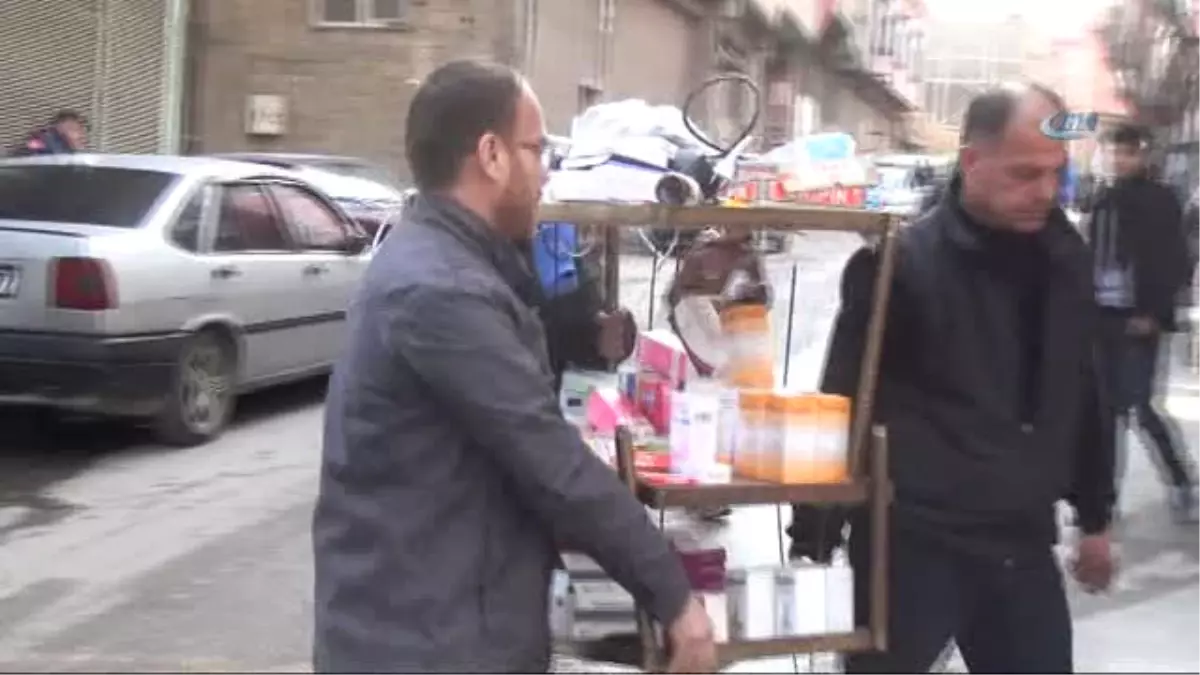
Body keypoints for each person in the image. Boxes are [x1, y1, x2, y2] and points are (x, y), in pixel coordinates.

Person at [311, 60, 716, 673]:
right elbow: (548, 459)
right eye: (537, 149)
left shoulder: (450, 263)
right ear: (492, 155)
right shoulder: (441, 290)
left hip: (432, 623)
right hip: (426, 646)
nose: (546, 170)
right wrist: (675, 597)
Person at [788, 83, 1116, 672]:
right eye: (1024, 173)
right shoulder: (899, 265)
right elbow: (843, 399)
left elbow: (1082, 388)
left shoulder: (1063, 261)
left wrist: (1094, 517)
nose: (1045, 191)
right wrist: (815, 529)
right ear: (972, 161)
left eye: (1056, 172)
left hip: (1019, 541)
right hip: (911, 545)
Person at [1089, 124, 1196, 521]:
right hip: (1102, 317)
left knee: (1141, 407)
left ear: (1142, 155)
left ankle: (1181, 483)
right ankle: (1105, 496)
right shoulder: (1101, 198)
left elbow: (1175, 261)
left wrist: (1152, 312)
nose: (1118, 160)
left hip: (1139, 319)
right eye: (1112, 152)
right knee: (1105, 412)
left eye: (1127, 153)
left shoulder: (1159, 199)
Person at [7, 110, 87, 156]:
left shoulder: (66, 149)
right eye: (76, 129)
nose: (81, 135)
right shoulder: (46, 142)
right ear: (61, 128)